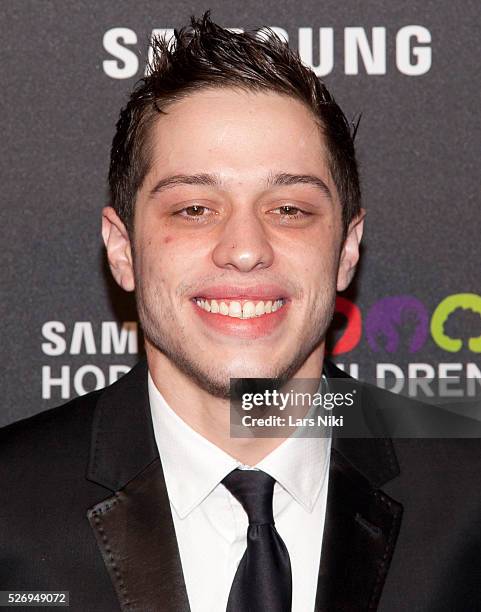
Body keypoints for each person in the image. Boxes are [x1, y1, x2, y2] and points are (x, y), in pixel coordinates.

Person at [1, 12, 480, 612]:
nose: (246, 248)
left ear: (347, 250)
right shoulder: (9, 510)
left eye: (289, 209)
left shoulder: (469, 500)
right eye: (195, 209)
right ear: (123, 251)